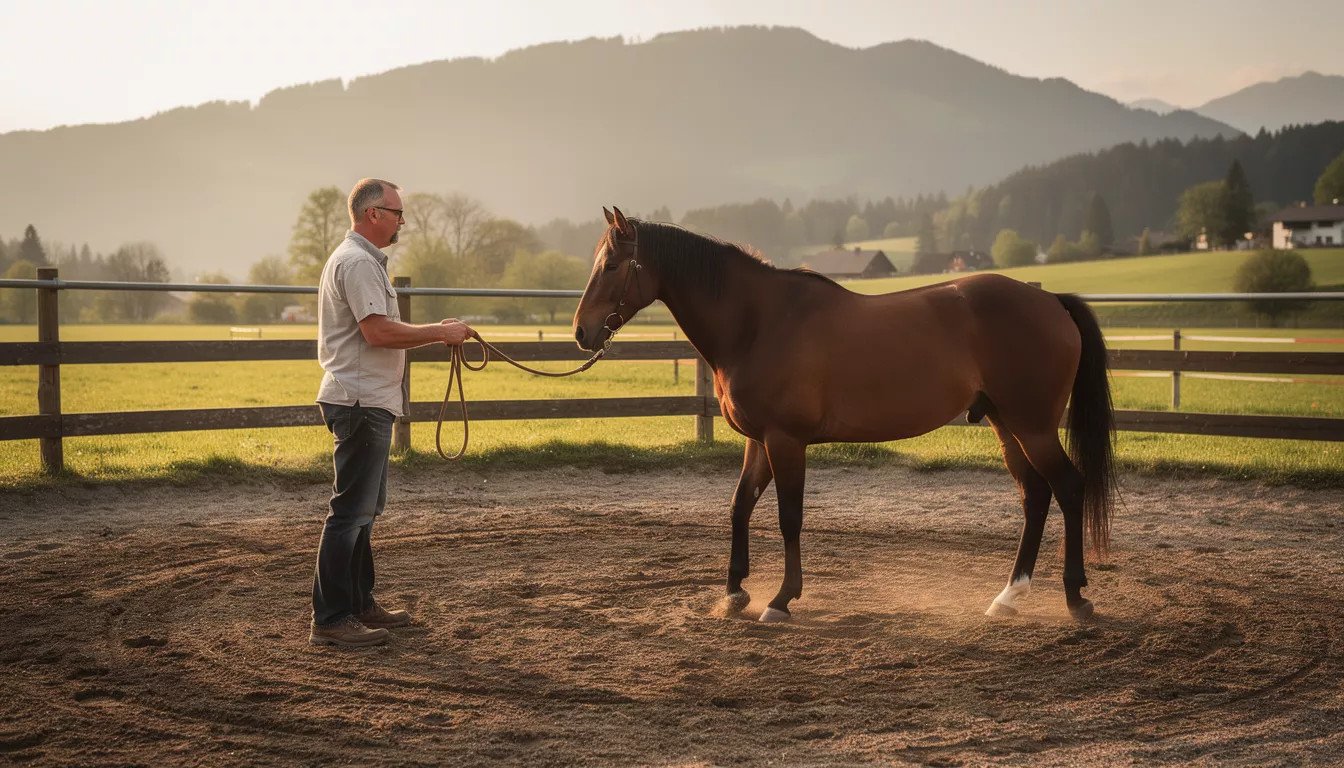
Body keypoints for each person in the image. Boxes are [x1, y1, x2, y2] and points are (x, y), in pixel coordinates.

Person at [309, 178, 473, 648]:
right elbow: (377, 333)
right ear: (373, 214)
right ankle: (332, 617)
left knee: (364, 510)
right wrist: (439, 334)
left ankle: (359, 602)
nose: (404, 220)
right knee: (350, 512)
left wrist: (435, 330)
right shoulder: (358, 263)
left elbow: (381, 329)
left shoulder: (360, 261)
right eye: (398, 212)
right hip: (360, 399)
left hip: (365, 397)